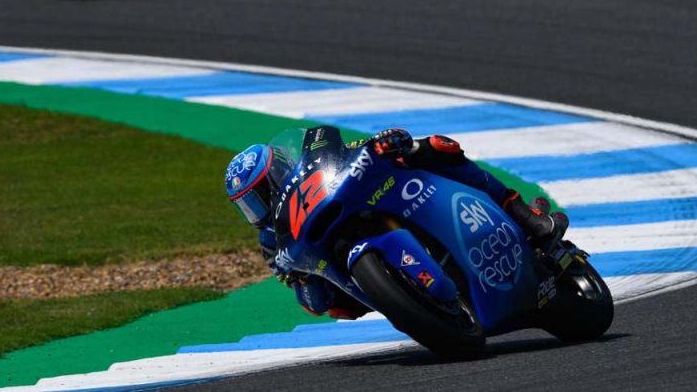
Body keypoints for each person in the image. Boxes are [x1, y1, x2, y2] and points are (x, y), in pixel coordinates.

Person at [224, 128, 569, 320]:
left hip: (363, 200)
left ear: (277, 171)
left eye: (259, 196)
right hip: (347, 272)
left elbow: (357, 147)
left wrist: (387, 142)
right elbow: (310, 302)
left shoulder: (311, 165)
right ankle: (414, 303)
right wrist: (300, 278)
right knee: (334, 308)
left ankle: (524, 215)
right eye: (247, 206)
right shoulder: (272, 243)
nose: (257, 209)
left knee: (434, 147)